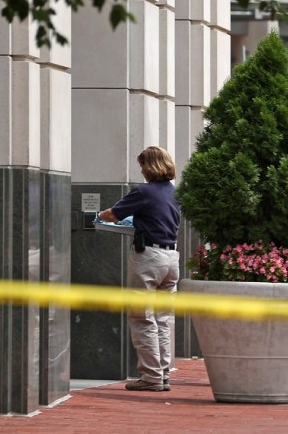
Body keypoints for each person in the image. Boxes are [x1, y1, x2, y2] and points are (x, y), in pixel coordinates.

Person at [98, 146, 180, 392]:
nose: (142, 171)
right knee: (163, 319)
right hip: (171, 257)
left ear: (149, 166)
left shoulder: (143, 191)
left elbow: (113, 215)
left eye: (143, 165)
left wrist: (97, 214)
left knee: (142, 317)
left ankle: (151, 377)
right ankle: (164, 373)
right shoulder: (174, 193)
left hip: (149, 258)